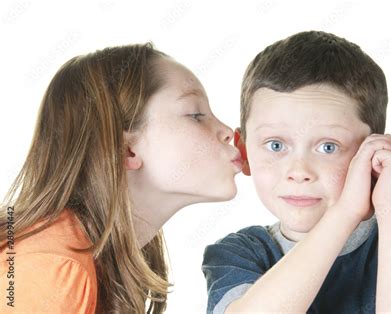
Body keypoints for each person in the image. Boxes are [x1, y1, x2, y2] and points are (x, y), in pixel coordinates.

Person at [202, 31, 391, 313]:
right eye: (276, 145)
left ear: (373, 155)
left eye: (328, 147)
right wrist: (345, 212)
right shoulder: (238, 253)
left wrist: (389, 209)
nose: (299, 171)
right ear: (244, 152)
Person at [0, 42, 242, 313]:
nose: (227, 131)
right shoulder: (54, 269)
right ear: (126, 149)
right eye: (196, 114)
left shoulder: (90, 260)